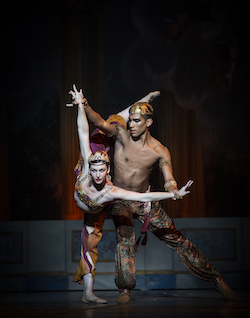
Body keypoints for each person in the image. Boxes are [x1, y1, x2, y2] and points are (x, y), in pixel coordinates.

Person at [72, 86, 236, 303]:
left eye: (136, 121)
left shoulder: (159, 149)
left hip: (145, 200)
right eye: (130, 120)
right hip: (120, 199)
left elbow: (168, 176)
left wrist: (173, 190)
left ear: (148, 122)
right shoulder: (121, 135)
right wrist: (85, 105)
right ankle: (125, 290)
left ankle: (216, 279)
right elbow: (98, 123)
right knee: (125, 241)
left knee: (177, 239)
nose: (130, 124)